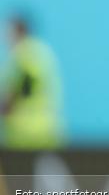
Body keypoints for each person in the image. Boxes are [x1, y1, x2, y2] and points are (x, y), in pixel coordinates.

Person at [1, 13, 64, 150]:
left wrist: (6, 106)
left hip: (25, 134)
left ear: (18, 31)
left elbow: (17, 93)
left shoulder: (23, 55)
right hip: (48, 129)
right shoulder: (42, 52)